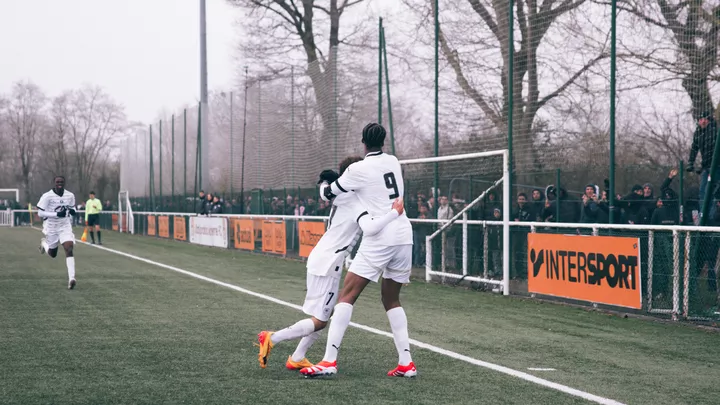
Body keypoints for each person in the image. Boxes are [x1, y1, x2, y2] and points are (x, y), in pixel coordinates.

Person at [255, 156, 405, 370]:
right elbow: (371, 228)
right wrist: (394, 213)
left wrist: (327, 181)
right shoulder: (355, 201)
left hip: (321, 258)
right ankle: (272, 337)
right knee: (322, 320)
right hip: (329, 262)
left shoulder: (339, 195)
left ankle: (297, 357)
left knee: (326, 313)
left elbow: (324, 191)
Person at [301, 123, 416, 378]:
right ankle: (406, 363)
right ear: (384, 141)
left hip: (381, 236)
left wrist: (324, 182)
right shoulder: (394, 162)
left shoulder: (358, 168)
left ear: (363, 142)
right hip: (404, 234)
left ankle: (329, 361)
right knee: (391, 299)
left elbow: (329, 194)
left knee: (347, 296)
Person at [37, 176, 78, 290]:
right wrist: (56, 215)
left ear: (64, 183)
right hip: (52, 227)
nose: (59, 183)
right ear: (54, 183)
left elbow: (72, 208)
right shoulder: (47, 196)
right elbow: (40, 213)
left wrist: (73, 211)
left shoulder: (70, 195)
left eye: (61, 182)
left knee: (69, 248)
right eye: (57, 182)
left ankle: (71, 278)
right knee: (52, 254)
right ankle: (44, 244)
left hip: (65, 226)